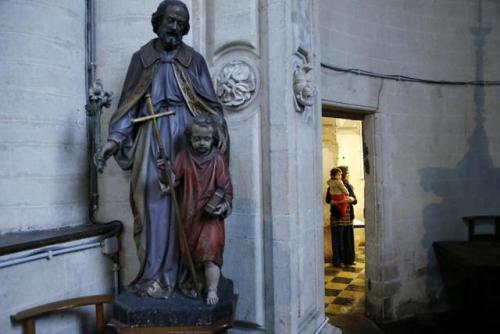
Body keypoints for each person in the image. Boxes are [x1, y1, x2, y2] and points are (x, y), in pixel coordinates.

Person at [100, 0, 228, 298]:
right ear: (157, 21)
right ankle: (154, 274)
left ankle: (188, 275)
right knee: (152, 200)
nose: (174, 27)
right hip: (150, 135)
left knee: (191, 202)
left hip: (188, 138)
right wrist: (114, 140)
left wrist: (217, 129)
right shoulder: (141, 59)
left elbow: (209, 105)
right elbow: (127, 105)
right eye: (169, 20)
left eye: (181, 23)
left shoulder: (193, 60)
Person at [168, 115, 233, 304]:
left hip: (210, 217)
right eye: (197, 139)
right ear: (190, 138)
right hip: (189, 213)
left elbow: (226, 189)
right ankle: (194, 284)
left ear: (213, 139)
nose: (202, 143)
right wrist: (166, 174)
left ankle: (212, 290)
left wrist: (223, 205)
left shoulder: (218, 160)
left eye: (206, 139)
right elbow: (174, 182)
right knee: (191, 254)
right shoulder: (183, 157)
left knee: (210, 253)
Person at [326, 166, 357, 267]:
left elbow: (355, 200)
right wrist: (339, 201)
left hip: (348, 216)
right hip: (337, 216)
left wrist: (350, 199)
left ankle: (349, 259)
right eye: (345, 173)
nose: (347, 175)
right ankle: (339, 261)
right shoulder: (331, 186)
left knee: (348, 239)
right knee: (338, 239)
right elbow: (328, 200)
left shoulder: (348, 185)